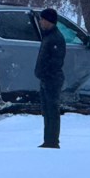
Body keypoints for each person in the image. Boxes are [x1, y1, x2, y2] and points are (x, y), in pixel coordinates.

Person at [36, 8, 66, 149]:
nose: (40, 22)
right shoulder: (47, 36)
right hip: (46, 79)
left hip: (52, 80)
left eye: (43, 19)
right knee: (46, 111)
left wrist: (45, 73)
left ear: (49, 21)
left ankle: (53, 141)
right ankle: (47, 140)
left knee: (52, 111)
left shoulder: (55, 38)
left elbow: (55, 62)